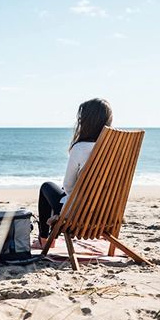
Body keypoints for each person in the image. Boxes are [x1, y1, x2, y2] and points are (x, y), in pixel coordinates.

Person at [36, 98, 113, 247]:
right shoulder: (115, 149)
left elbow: (69, 186)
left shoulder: (80, 148)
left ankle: (45, 240)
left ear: (85, 122)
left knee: (47, 186)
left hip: (78, 215)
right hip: (105, 214)